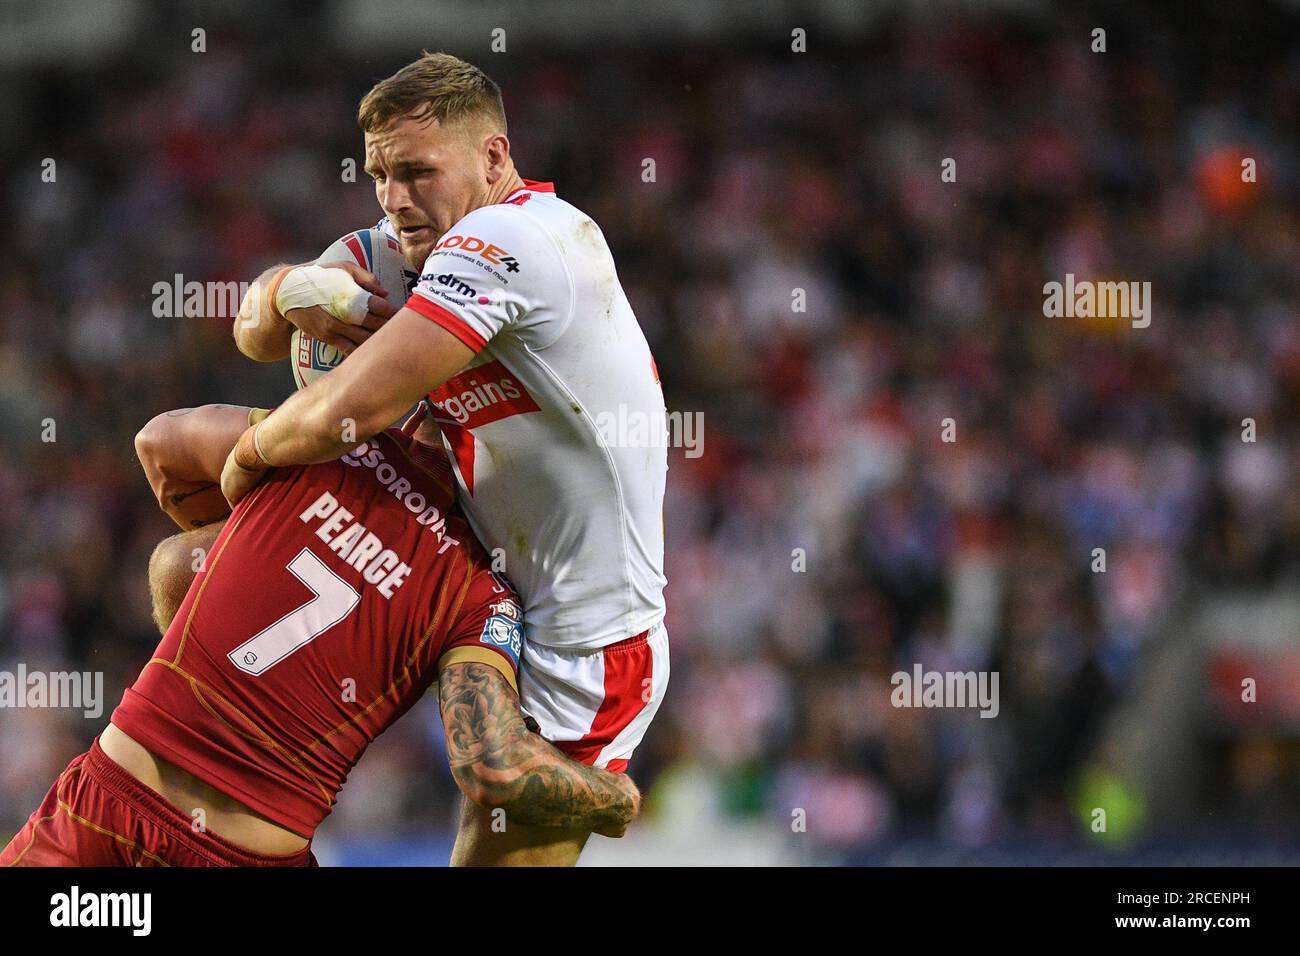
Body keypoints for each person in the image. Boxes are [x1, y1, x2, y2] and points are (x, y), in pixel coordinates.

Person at [212, 51, 669, 866]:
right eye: (380, 174)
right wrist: (285, 287)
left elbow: (353, 409)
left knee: (492, 820)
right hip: (465, 577)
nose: (395, 199)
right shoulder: (403, 242)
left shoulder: (517, 237)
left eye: (418, 172)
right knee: (190, 568)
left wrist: (251, 453)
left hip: (582, 634)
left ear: (495, 157)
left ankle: (622, 802)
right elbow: (252, 333)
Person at [0, 404, 638, 867]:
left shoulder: (312, 440)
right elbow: (493, 764)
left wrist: (235, 536)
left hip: (108, 804)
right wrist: (614, 800)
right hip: (249, 853)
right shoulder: (484, 590)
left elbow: (159, 439)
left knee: (178, 560)